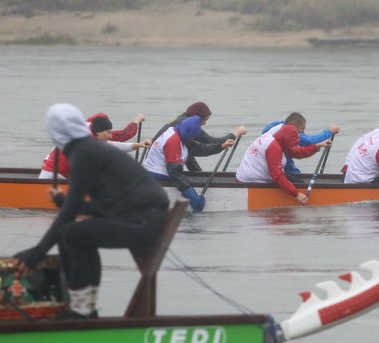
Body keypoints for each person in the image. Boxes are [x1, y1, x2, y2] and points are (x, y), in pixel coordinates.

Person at [13, 104, 170, 319]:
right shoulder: (89, 149)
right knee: (74, 234)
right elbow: (101, 208)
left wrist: (37, 253)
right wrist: (65, 201)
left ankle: (81, 310)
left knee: (71, 234)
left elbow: (70, 212)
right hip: (143, 218)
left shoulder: (83, 153)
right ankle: (86, 308)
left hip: (143, 223)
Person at [143, 115, 235, 213]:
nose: (193, 139)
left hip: (159, 171)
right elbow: (175, 173)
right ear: (189, 133)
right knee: (191, 185)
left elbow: (200, 149)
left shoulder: (178, 132)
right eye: (193, 137)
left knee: (192, 181)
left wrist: (221, 146)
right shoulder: (173, 142)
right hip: (158, 175)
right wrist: (193, 197)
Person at [235, 116, 331, 205]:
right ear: (287, 140)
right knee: (296, 182)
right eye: (293, 143)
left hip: (247, 176)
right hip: (252, 181)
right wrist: (296, 194)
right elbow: (277, 175)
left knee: (297, 181)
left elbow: (297, 152)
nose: (294, 146)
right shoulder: (273, 147)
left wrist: (317, 146)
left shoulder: (274, 138)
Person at [39, 113, 150, 179]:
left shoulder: (91, 129)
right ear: (97, 131)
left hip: (61, 171)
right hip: (53, 175)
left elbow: (114, 144)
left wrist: (139, 144)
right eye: (108, 132)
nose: (110, 135)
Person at [152, 102, 246, 171]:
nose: (204, 124)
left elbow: (188, 152)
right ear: (196, 117)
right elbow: (210, 143)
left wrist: (199, 174)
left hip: (155, 162)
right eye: (204, 120)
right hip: (159, 167)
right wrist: (236, 133)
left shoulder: (183, 120)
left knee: (188, 154)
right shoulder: (189, 126)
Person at [260, 113, 340, 182]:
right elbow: (311, 141)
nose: (303, 132)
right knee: (291, 164)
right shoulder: (289, 132)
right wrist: (329, 131)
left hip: (264, 162)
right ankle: (298, 187)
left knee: (287, 156)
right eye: (302, 128)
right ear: (293, 126)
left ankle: (296, 179)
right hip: (270, 163)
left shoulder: (276, 125)